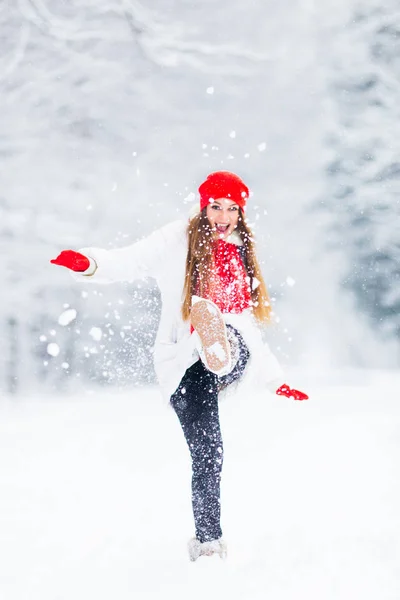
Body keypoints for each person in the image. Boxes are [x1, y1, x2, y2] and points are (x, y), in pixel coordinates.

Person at [51, 171, 308, 561]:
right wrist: (89, 262)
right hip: (181, 360)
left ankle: (218, 342)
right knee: (208, 452)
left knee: (235, 336)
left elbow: (250, 325)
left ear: (241, 212)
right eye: (216, 207)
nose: (223, 216)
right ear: (203, 206)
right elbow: (130, 260)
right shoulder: (177, 238)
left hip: (230, 349)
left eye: (232, 209)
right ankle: (208, 542)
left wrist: (276, 379)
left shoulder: (241, 253)